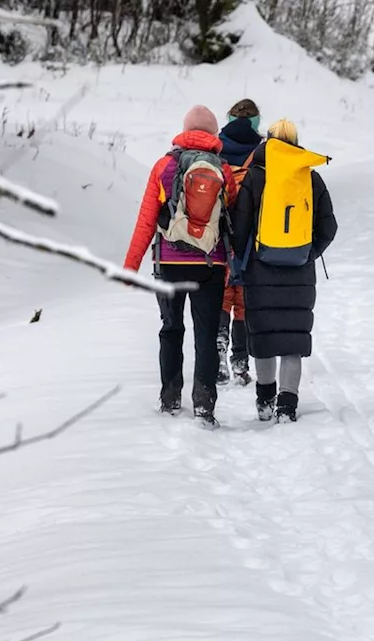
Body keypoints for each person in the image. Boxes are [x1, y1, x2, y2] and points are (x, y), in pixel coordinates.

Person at [124, 105, 239, 426]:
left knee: (171, 329)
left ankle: (170, 397)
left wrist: (130, 266)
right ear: (214, 134)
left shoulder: (164, 166)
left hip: (169, 263)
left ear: (185, 130)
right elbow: (229, 218)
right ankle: (204, 404)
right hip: (210, 264)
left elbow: (147, 219)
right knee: (206, 333)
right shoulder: (224, 170)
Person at [230, 118, 337, 423]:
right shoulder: (311, 178)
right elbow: (329, 227)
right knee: (293, 336)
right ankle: (287, 404)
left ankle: (265, 399)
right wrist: (308, 254)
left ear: (269, 141)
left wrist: (245, 259)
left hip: (260, 269)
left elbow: (240, 226)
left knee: (265, 333)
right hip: (299, 271)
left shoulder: (255, 177)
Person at [216, 98, 264, 386]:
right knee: (244, 300)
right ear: (257, 121)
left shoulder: (216, 146)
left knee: (222, 294)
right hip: (252, 235)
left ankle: (218, 349)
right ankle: (241, 362)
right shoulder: (262, 152)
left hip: (220, 232)